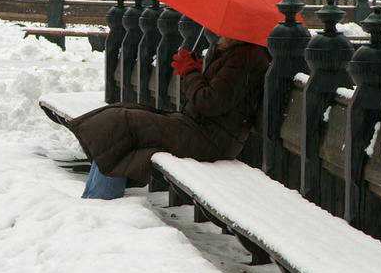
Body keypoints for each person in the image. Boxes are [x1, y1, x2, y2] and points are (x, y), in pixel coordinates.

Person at [69, 36, 271, 199]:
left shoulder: (247, 57)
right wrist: (197, 73)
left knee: (121, 122)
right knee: (121, 117)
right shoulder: (240, 53)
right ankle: (93, 199)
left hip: (209, 140)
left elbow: (208, 103)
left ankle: (100, 202)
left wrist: (191, 72)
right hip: (201, 130)